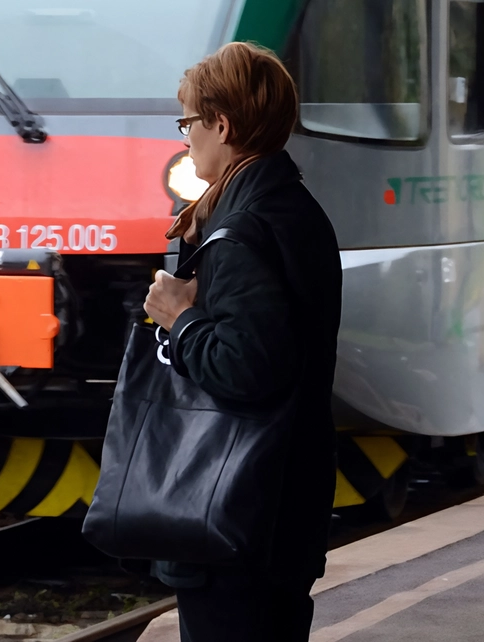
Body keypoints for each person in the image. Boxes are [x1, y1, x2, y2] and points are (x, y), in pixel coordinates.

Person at [141, 42, 343, 641]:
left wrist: (179, 320)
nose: (184, 137)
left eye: (188, 122)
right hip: (280, 504)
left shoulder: (240, 231)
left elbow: (249, 366)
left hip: (233, 508)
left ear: (221, 125)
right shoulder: (294, 209)